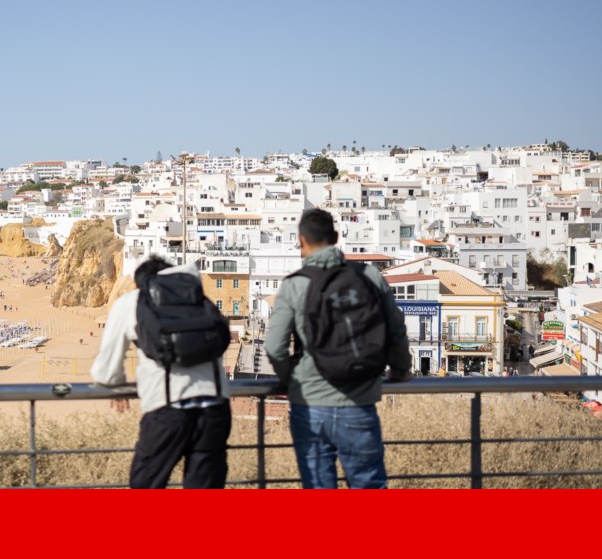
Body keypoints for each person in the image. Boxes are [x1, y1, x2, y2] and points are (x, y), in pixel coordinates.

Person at [264, 208, 411, 489]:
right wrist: (401, 370)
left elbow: (274, 346)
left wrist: (291, 381)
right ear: (336, 237)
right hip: (359, 401)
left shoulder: (295, 285)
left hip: (310, 404)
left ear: (301, 241)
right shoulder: (369, 275)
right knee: (369, 485)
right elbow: (396, 328)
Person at [91, 255, 232, 489]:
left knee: (145, 485)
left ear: (141, 282)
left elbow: (105, 371)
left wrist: (117, 385)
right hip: (215, 409)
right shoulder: (198, 298)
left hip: (167, 411)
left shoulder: (132, 302)